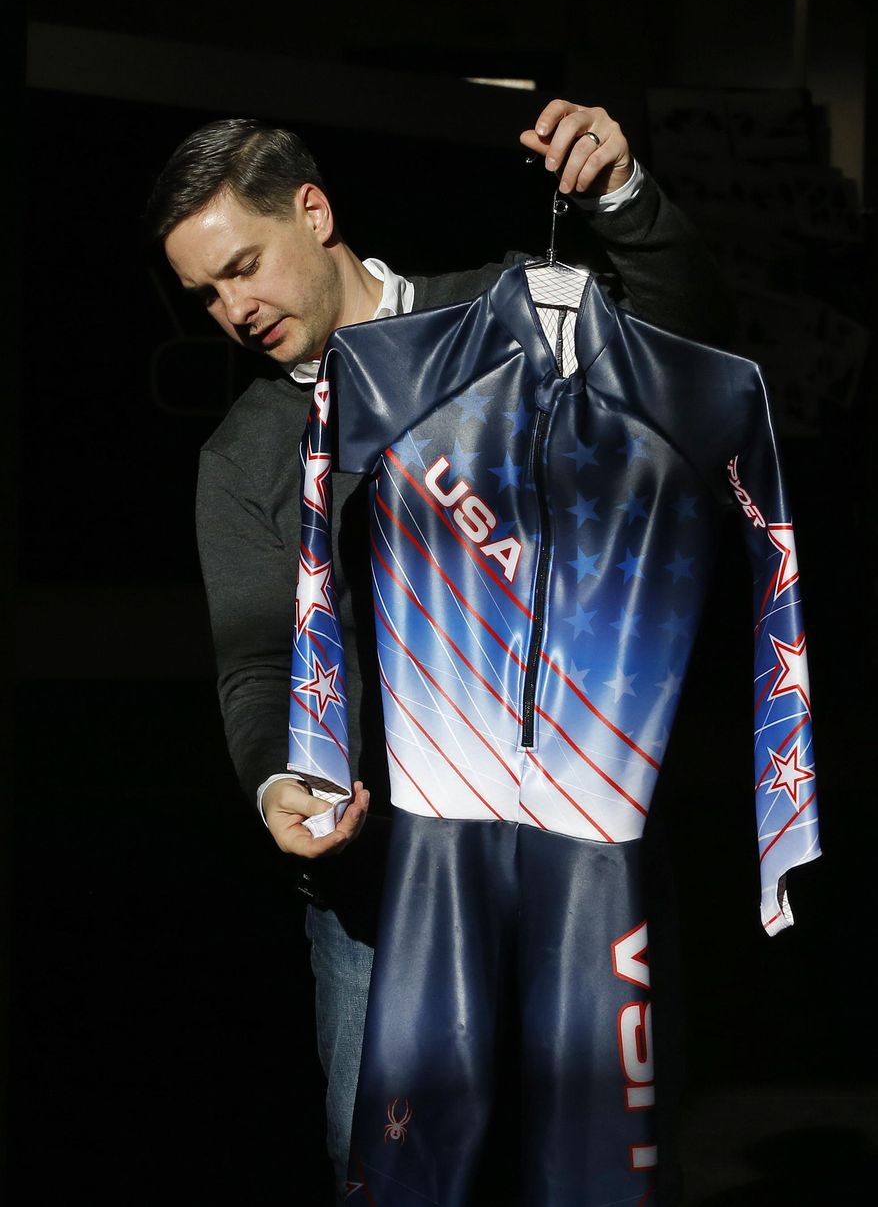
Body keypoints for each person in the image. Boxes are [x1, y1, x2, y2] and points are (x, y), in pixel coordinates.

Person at [145, 100, 736, 1203]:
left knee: (600, 1172)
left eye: (243, 267)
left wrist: (620, 199)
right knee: (394, 1182)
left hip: (578, 869)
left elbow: (692, 352)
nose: (234, 310)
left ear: (311, 212)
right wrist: (279, 781)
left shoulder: (511, 313)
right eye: (206, 295)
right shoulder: (247, 456)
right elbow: (256, 662)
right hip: (382, 905)